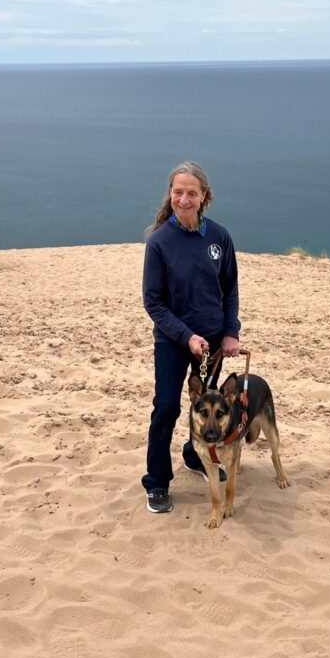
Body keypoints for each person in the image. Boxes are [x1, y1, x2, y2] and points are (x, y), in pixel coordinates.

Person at [141, 161, 241, 514]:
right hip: (173, 341)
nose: (184, 199)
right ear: (171, 195)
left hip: (211, 344)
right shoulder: (159, 242)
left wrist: (230, 333)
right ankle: (156, 483)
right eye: (178, 192)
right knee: (166, 407)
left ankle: (193, 456)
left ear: (204, 197)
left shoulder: (219, 237)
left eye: (192, 193)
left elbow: (229, 289)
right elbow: (153, 302)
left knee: (207, 406)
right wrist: (186, 337)